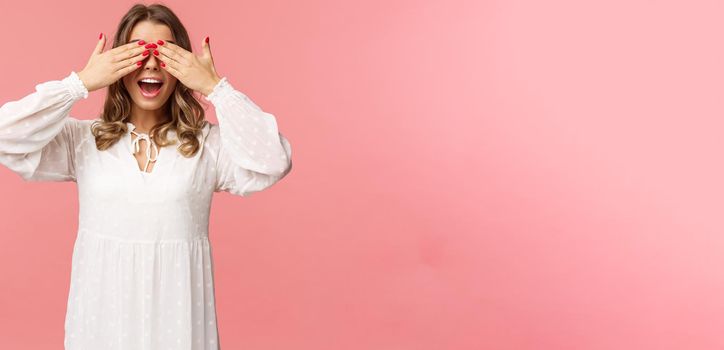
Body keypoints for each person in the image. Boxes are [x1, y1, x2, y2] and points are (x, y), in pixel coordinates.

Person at [0, 3, 292, 349]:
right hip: (100, 326)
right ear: (117, 65)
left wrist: (216, 89)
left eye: (164, 54)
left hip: (179, 327)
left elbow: (274, 160)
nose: (151, 63)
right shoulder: (83, 140)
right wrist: (79, 84)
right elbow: (6, 136)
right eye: (138, 52)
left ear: (182, 67)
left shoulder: (207, 146)